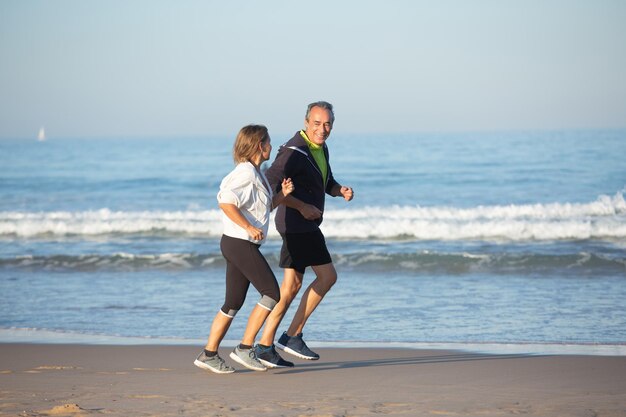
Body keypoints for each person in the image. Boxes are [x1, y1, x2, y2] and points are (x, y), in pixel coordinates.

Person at [254, 101, 354, 368]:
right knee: (328, 276)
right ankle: (292, 335)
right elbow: (269, 183)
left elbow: (325, 181)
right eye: (317, 123)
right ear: (306, 123)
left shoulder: (319, 148)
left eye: (328, 124)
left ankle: (265, 345)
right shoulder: (294, 151)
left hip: (301, 226)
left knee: (290, 288)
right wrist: (301, 206)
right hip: (297, 225)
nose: (323, 129)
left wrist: (338, 190)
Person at [194, 124, 294, 374]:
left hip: (235, 243)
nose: (272, 146)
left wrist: (281, 195)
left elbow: (263, 209)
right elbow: (225, 202)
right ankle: (245, 348)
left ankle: (209, 354)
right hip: (240, 243)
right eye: (269, 142)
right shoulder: (245, 174)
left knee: (233, 302)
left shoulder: (256, 173)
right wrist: (248, 227)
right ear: (260, 145)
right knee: (272, 293)